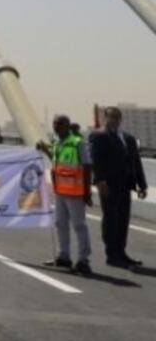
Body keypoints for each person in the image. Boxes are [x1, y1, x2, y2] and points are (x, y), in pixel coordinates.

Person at [91, 106, 148, 268]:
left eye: (117, 117)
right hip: (108, 186)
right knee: (111, 220)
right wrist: (100, 181)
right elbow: (97, 161)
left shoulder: (128, 138)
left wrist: (141, 185)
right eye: (111, 117)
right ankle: (112, 255)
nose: (114, 120)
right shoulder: (99, 136)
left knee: (123, 220)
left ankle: (121, 253)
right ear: (105, 118)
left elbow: (136, 163)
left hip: (125, 185)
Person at [39, 114, 92, 275]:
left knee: (79, 226)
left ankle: (83, 260)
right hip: (61, 192)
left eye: (60, 124)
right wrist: (44, 149)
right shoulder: (57, 144)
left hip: (75, 192)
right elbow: (56, 163)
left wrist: (87, 192)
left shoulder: (77, 143)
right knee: (60, 224)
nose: (56, 127)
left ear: (68, 126)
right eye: (55, 124)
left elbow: (87, 166)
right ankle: (64, 256)